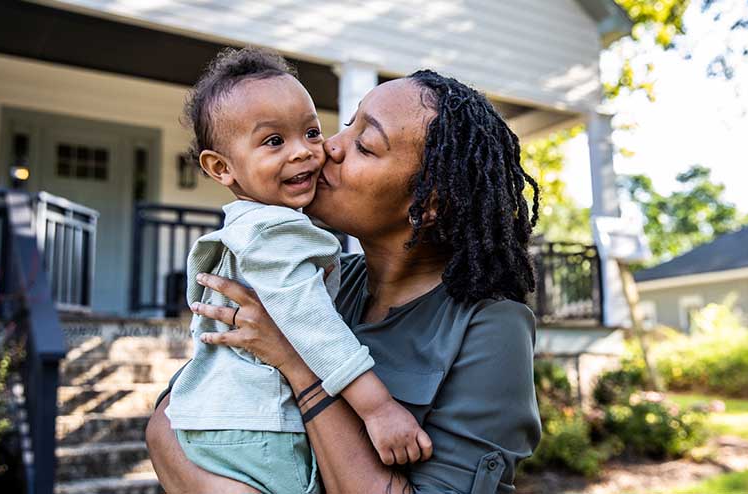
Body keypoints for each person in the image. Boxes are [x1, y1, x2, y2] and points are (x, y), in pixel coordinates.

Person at [146, 67, 543, 494]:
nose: (327, 147)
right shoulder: (320, 279)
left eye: (364, 145)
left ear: (429, 203)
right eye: (347, 124)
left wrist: (298, 366)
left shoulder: (490, 328)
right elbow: (171, 421)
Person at [164, 47, 429, 494]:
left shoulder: (246, 228)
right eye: (273, 142)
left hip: (217, 421)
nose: (305, 152)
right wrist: (377, 408)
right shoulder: (275, 232)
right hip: (260, 428)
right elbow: (313, 326)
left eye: (310, 132)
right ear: (220, 167)